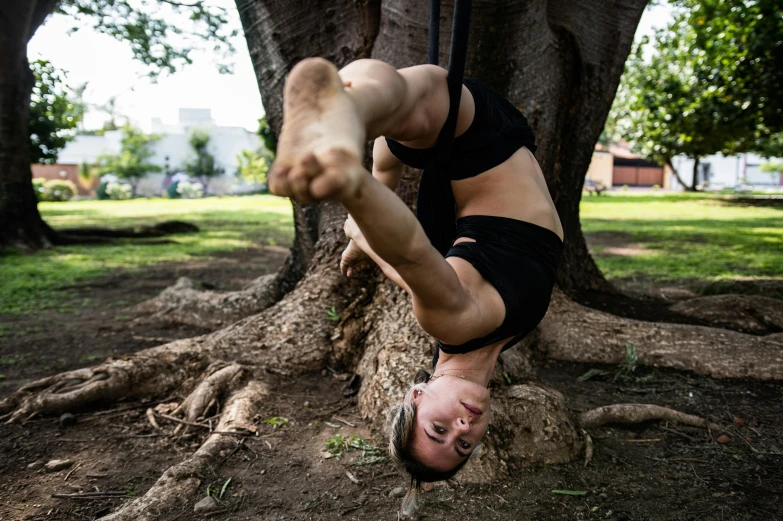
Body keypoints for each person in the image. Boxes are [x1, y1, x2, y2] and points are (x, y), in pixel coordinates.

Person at [268, 57, 564, 512]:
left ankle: (342, 123)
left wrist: (355, 193)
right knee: (388, 101)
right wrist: (357, 237)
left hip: (472, 138)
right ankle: (347, 111)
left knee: (406, 101)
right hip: (464, 144)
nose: (463, 428)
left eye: (438, 430)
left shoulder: (453, 323)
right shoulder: (484, 337)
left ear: (417, 394)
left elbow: (411, 253)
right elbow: (407, 271)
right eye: (464, 445)